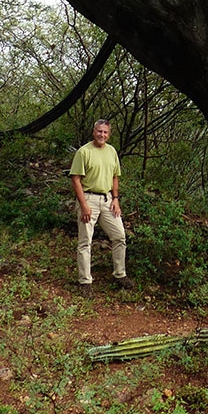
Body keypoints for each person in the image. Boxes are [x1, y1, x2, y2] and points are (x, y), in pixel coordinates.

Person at [70, 119, 134, 295]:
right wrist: (83, 205)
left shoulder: (111, 151)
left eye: (105, 132)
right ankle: (85, 282)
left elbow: (115, 176)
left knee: (119, 235)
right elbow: (75, 178)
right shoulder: (84, 152)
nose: (102, 135)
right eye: (99, 131)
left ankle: (120, 274)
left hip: (107, 200)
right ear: (94, 131)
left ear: (109, 134)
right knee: (85, 241)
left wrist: (115, 199)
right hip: (88, 198)